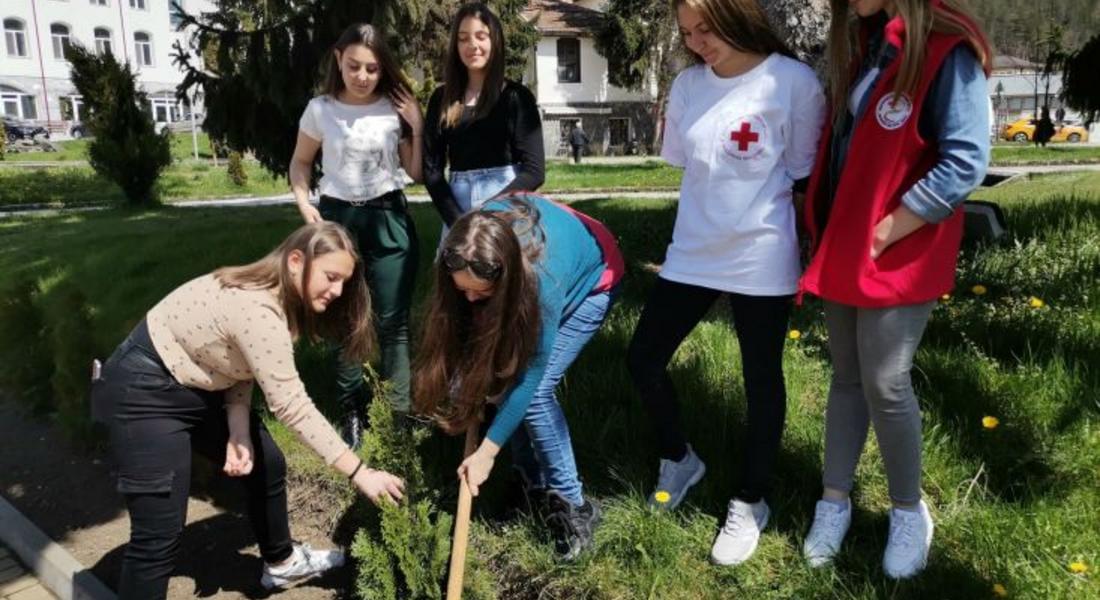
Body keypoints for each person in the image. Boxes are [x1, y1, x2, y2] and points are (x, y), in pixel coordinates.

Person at [91, 223, 406, 599]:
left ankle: (281, 564)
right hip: (144, 393)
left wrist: (238, 429)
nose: (338, 291)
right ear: (295, 262)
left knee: (266, 461)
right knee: (158, 535)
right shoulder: (258, 310)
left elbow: (238, 363)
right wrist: (360, 472)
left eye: (344, 281)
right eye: (331, 277)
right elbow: (293, 407)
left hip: (193, 385)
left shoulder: (277, 300)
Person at [625, 0, 825, 567]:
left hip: (761, 254)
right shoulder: (688, 85)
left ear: (736, 14)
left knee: (761, 379)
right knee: (642, 358)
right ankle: (679, 457)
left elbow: (802, 168)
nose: (697, 42)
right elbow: (685, 162)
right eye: (687, 33)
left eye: (705, 28)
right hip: (692, 251)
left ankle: (751, 499)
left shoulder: (794, 81)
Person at [798, 0, 991, 579]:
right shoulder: (865, 43)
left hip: (894, 246)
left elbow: (966, 160)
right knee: (848, 378)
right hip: (846, 245)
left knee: (886, 381)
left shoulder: (944, 47)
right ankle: (835, 500)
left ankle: (910, 510)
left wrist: (886, 230)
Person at [413, 193, 624, 561]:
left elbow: (529, 378)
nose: (469, 300)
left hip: (594, 275)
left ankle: (576, 507)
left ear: (505, 278)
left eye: (480, 294)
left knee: (536, 392)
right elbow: (464, 330)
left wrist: (487, 452)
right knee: (504, 384)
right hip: (535, 254)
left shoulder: (544, 284)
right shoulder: (468, 245)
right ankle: (533, 484)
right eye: (462, 290)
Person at [289, 23, 424, 443]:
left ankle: (400, 416)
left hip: (388, 219)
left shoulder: (393, 107)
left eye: (372, 68)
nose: (363, 76)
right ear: (338, 60)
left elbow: (415, 173)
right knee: (346, 319)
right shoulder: (320, 110)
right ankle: (353, 412)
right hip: (337, 221)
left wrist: (417, 126)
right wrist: (304, 204)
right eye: (354, 66)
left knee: (392, 323)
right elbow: (300, 163)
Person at [423, 2, 545, 235]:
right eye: (463, 38)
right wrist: (458, 222)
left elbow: (534, 171)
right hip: (457, 207)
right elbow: (432, 172)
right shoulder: (442, 99)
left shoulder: (517, 98)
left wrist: (490, 212)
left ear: (495, 41)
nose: (473, 45)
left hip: (508, 207)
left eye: (481, 36)